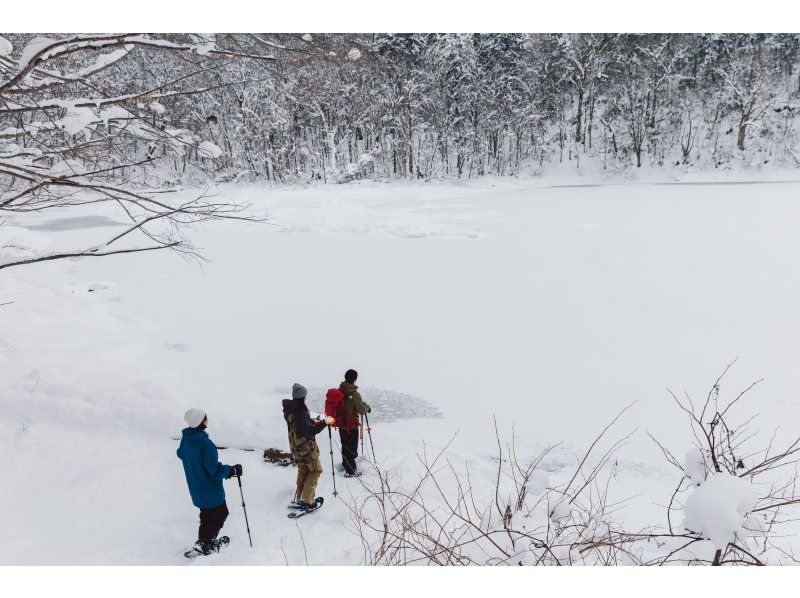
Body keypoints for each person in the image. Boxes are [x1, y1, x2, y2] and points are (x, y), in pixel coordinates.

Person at [177, 408, 242, 556]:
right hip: (210, 490)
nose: (207, 420)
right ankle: (206, 544)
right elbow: (216, 471)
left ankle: (203, 542)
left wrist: (194, 463)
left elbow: (180, 453)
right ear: (201, 422)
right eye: (206, 418)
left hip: (196, 487)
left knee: (206, 515)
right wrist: (232, 470)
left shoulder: (187, 438)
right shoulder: (205, 444)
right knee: (221, 513)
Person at [282, 383, 334, 510]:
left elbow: (300, 426)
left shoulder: (290, 410)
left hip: (296, 448)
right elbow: (309, 431)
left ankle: (301, 497)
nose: (306, 397)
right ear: (302, 397)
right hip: (306, 449)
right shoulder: (301, 412)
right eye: (305, 395)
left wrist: (312, 421)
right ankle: (306, 500)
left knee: (304, 471)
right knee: (316, 470)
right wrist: (324, 423)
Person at [338, 369, 371, 477]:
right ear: (355, 379)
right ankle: (351, 471)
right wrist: (366, 407)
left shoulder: (340, 390)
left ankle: (345, 464)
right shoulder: (354, 394)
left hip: (341, 423)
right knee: (352, 448)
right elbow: (361, 411)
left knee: (345, 445)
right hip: (351, 426)